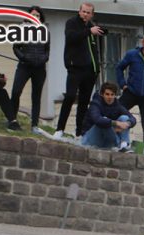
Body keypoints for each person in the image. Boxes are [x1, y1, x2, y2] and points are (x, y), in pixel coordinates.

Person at [54, 2, 104, 140]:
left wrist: (96, 69)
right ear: (79, 11)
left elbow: (96, 49)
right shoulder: (72, 23)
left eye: (88, 12)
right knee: (69, 96)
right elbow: (71, 38)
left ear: (92, 14)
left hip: (90, 70)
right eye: (84, 12)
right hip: (75, 68)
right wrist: (88, 32)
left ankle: (79, 132)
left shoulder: (92, 26)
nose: (85, 14)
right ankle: (60, 129)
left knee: (84, 102)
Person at [10, 6, 49, 135]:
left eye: (37, 15)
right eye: (33, 15)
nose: (35, 18)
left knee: (36, 97)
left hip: (39, 68)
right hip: (24, 66)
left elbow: (47, 50)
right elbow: (16, 47)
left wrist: (43, 59)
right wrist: (24, 57)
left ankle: (34, 126)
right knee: (16, 91)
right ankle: (12, 120)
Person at [80, 82, 136, 151]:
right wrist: (116, 124)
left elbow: (133, 118)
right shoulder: (95, 104)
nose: (110, 97)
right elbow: (97, 120)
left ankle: (124, 145)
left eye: (112, 95)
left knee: (125, 118)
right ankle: (120, 144)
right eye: (107, 94)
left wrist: (127, 124)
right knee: (104, 120)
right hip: (90, 139)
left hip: (107, 140)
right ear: (102, 94)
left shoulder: (117, 105)